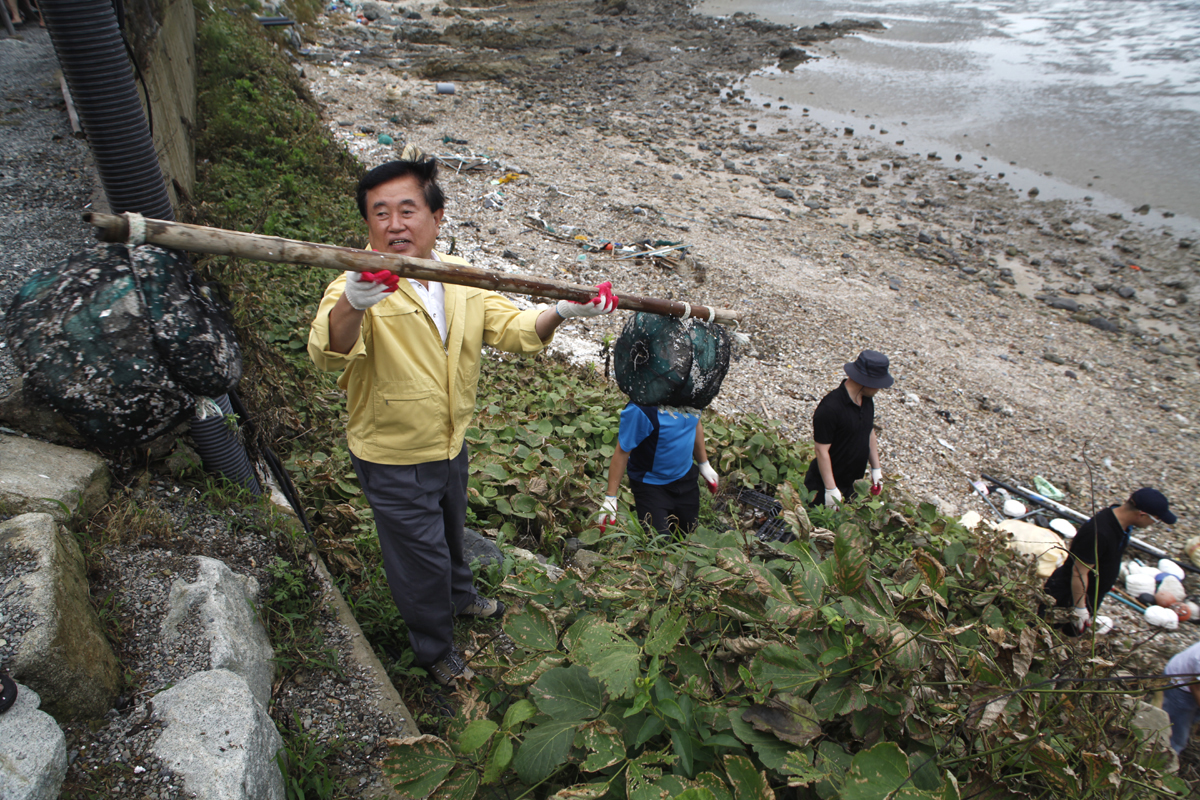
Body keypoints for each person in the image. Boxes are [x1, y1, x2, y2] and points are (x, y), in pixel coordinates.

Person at [307, 152, 617, 687]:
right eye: (381, 213)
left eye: (407, 210)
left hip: (450, 443)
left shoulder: (460, 279)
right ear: (368, 224)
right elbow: (328, 351)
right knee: (419, 560)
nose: (395, 225)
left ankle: (460, 597)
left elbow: (515, 329)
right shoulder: (357, 282)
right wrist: (355, 303)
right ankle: (434, 648)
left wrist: (564, 312)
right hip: (393, 455)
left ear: (436, 217)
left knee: (450, 535)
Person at [1042, 487, 1178, 635]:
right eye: (1156, 520)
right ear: (1142, 515)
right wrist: (1079, 607)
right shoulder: (1099, 532)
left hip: (1091, 593)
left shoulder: (1122, 525)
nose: (1153, 524)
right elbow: (1079, 572)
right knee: (1045, 632)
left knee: (1072, 634)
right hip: (1069, 594)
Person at [598, 404, 719, 539]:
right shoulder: (642, 409)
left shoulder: (693, 398)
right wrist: (611, 496)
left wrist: (704, 464)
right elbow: (622, 451)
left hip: (685, 477)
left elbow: (695, 423)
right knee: (658, 541)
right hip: (650, 483)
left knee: (687, 533)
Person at [803, 350, 893, 508]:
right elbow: (821, 450)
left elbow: (869, 431)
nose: (879, 389)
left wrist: (876, 469)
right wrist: (831, 489)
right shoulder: (830, 408)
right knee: (818, 521)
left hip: (851, 484)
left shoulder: (866, 400)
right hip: (823, 485)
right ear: (866, 381)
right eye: (878, 384)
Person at [1163, 640, 1200, 754]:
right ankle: (1165, 757)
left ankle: (1191, 726)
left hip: (1194, 681)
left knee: (1193, 718)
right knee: (1177, 735)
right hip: (1180, 685)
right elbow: (1195, 686)